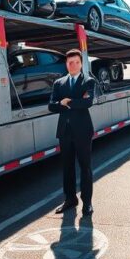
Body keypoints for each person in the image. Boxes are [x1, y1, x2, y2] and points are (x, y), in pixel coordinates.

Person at [48, 49, 97, 215]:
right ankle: (70, 199)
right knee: (67, 167)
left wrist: (66, 102)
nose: (73, 65)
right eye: (70, 63)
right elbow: (51, 106)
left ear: (81, 63)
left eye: (76, 62)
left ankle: (87, 203)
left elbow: (88, 102)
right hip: (64, 131)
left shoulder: (88, 81)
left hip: (83, 131)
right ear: (66, 64)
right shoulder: (59, 83)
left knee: (85, 167)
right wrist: (72, 102)